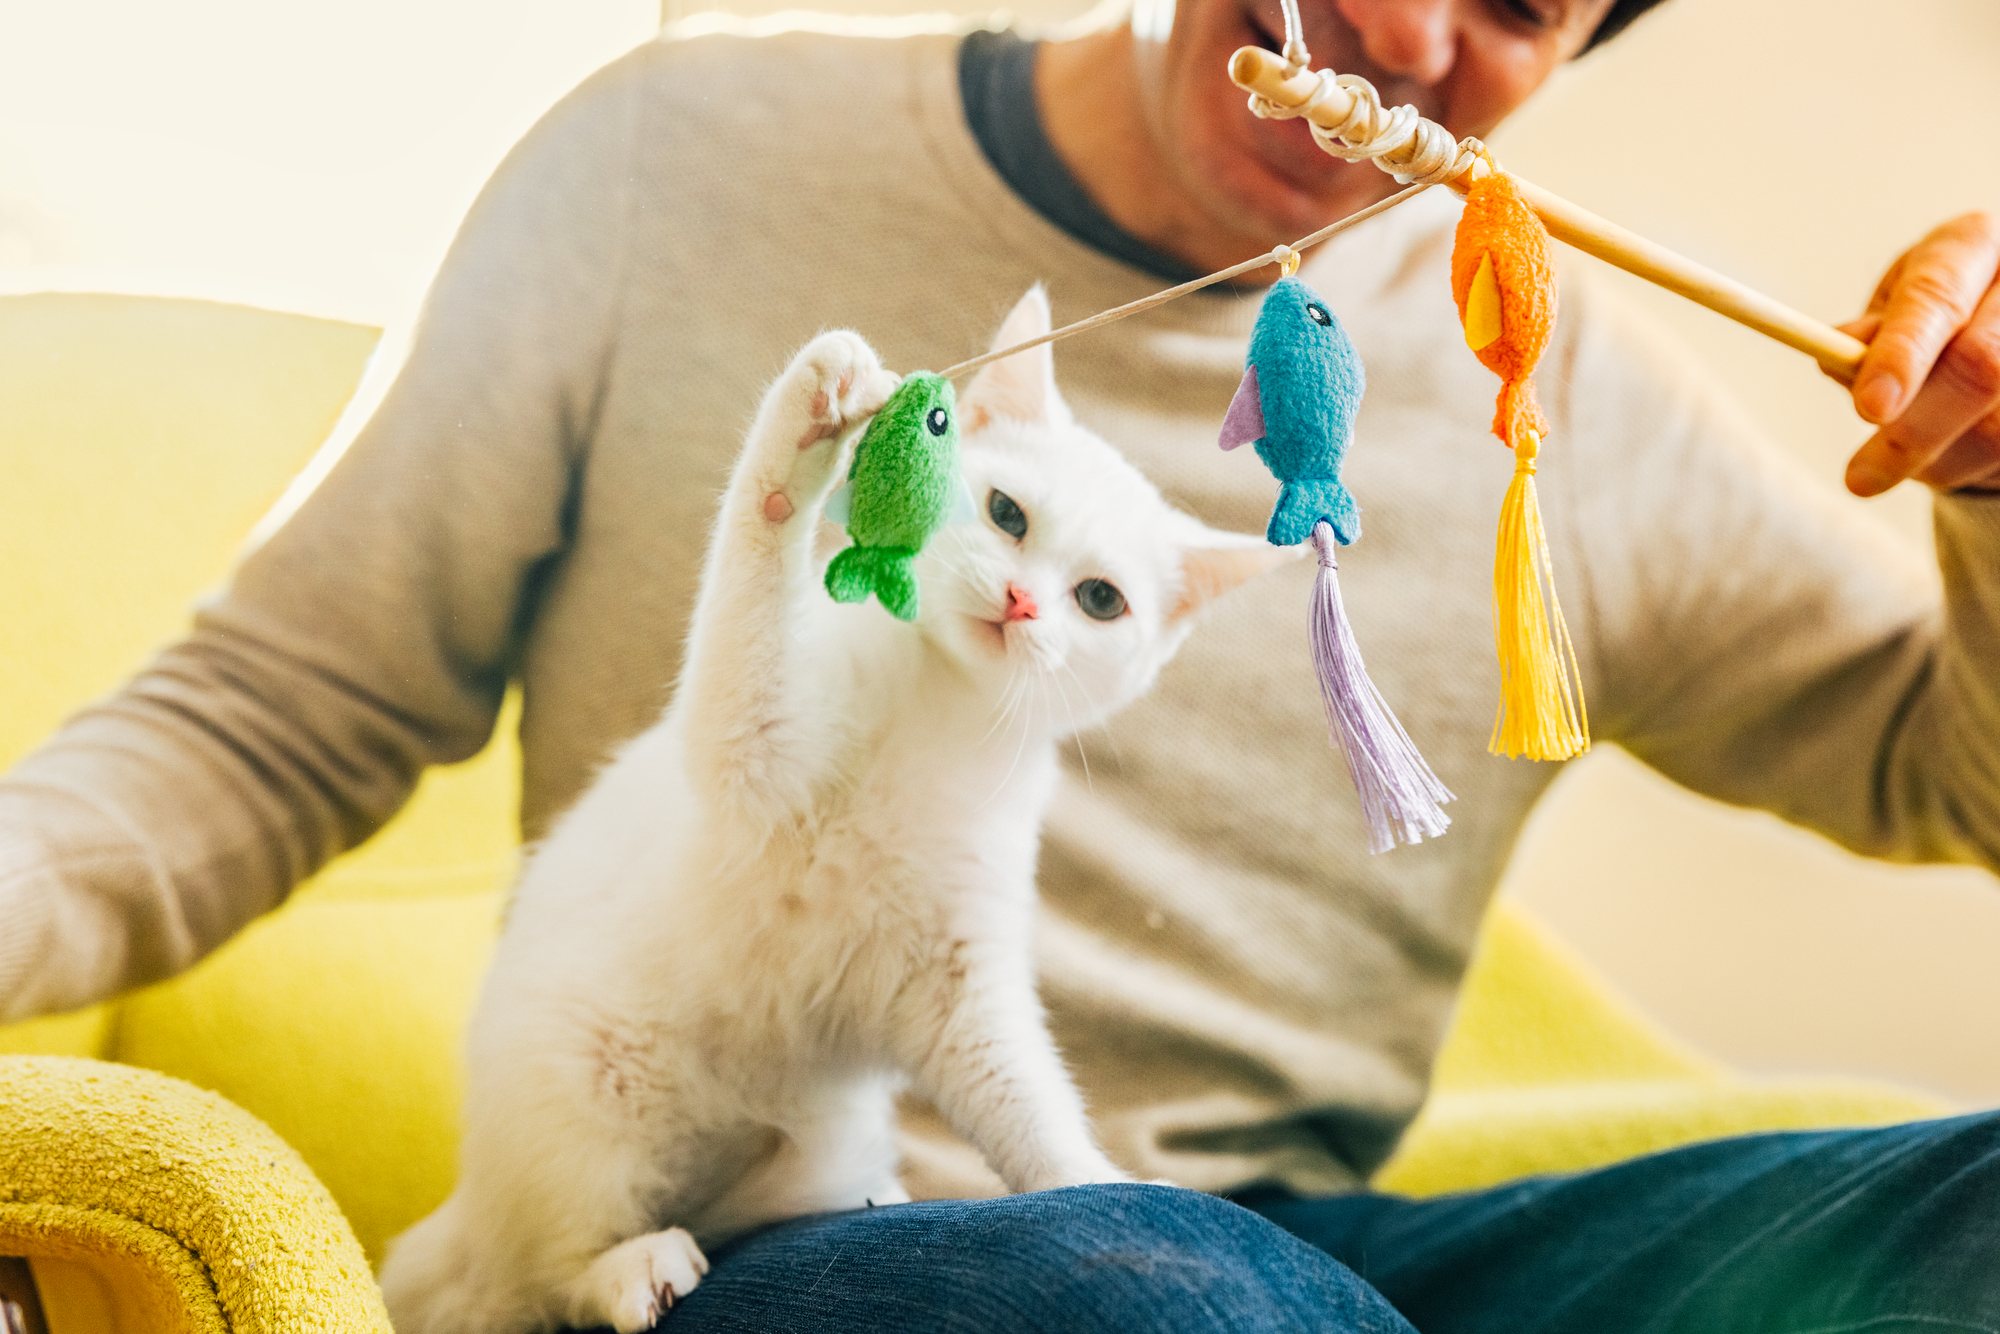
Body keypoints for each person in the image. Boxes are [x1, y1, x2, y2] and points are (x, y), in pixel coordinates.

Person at [5, 0, 2000, 1327]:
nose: (1400, 28)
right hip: (797, 1225)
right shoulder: (661, 163)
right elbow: (272, 721)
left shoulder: (1553, 401)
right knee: (1162, 1291)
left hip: (1317, 1258)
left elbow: (1949, 769)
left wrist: (1995, 485)